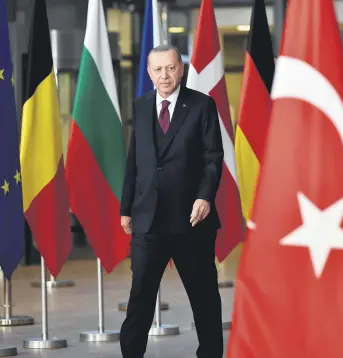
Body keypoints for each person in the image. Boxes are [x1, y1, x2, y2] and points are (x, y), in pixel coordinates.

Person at [119, 44, 224, 358]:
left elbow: (212, 158)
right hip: (147, 220)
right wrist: (126, 209)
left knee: (203, 296)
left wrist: (205, 196)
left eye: (170, 68)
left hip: (192, 220)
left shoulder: (202, 105)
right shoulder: (140, 106)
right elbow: (134, 161)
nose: (164, 75)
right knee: (140, 296)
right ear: (149, 73)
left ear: (181, 69)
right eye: (157, 69)